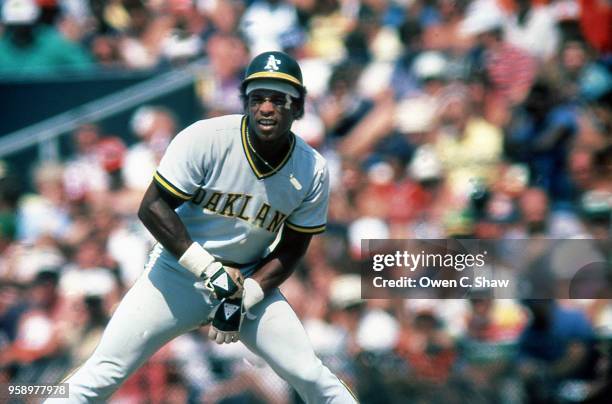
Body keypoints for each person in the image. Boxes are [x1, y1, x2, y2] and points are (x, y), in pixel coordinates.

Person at [46, 51, 357, 403]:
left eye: (278, 98)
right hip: (178, 274)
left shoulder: (311, 168)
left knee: (311, 375)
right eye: (258, 97)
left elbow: (294, 246)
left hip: (251, 278)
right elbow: (152, 207)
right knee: (105, 371)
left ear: (297, 105)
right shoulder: (208, 138)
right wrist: (210, 271)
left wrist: (247, 295)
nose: (266, 107)